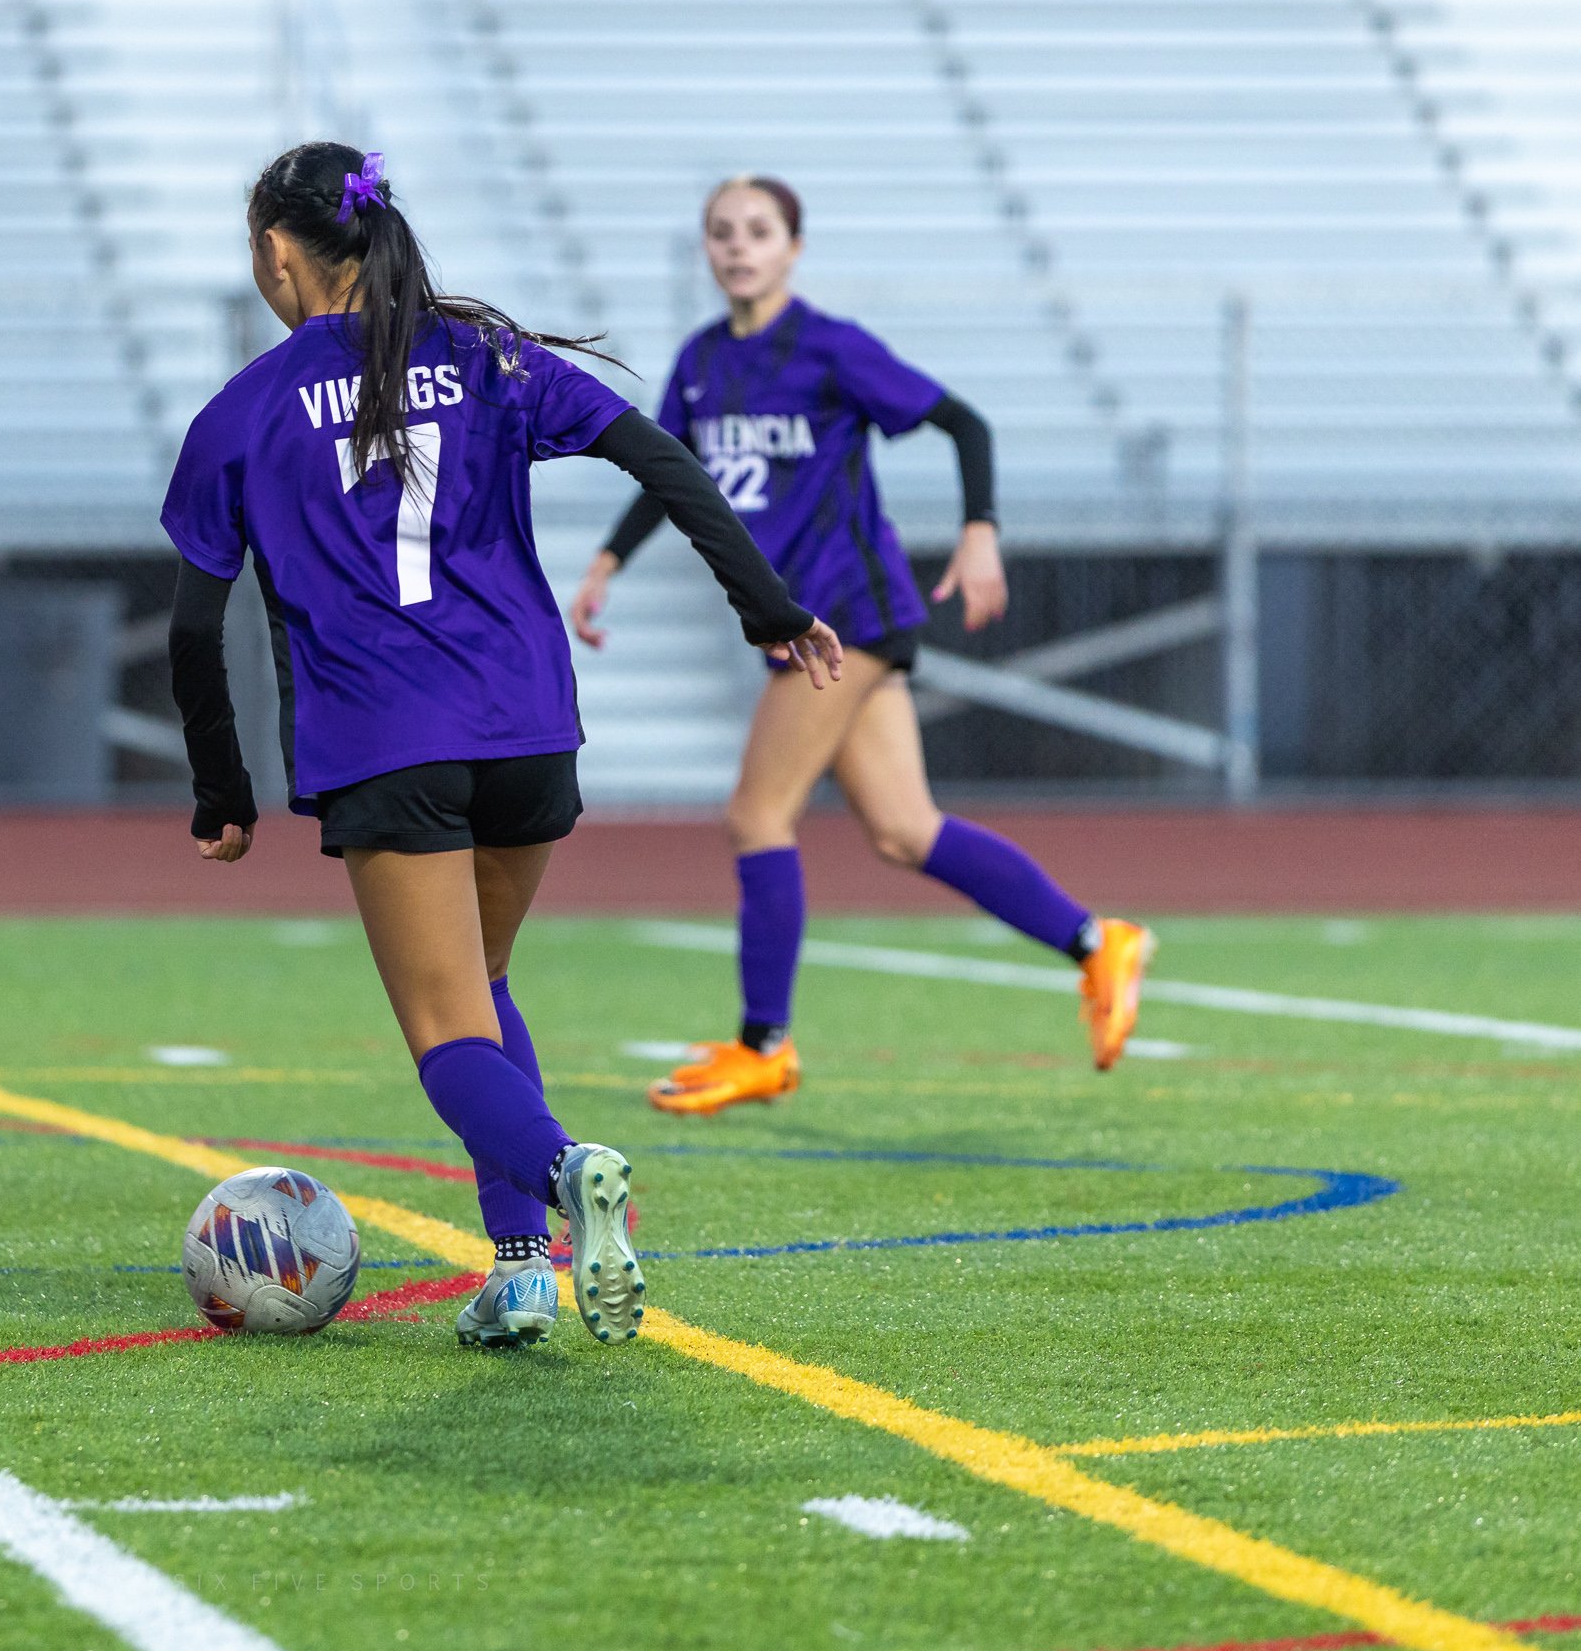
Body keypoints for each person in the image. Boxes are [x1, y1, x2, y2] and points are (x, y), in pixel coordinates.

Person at [165, 144, 841, 1351]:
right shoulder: (489, 355)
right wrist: (768, 608)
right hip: (527, 725)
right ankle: (520, 1268)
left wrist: (223, 791)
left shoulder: (248, 408)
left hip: (386, 736)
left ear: (277, 253)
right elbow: (657, 456)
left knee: (446, 1032)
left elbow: (191, 625)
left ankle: (566, 1169)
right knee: (484, 981)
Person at [567, 175, 1153, 1115]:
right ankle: (1097, 942)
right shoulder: (703, 360)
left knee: (757, 816)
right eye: (722, 231)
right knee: (904, 830)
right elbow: (673, 472)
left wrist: (980, 531)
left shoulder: (831, 348)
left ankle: (765, 1045)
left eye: (759, 230)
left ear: (794, 247)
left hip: (848, 613)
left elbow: (964, 423)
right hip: (817, 621)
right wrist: (607, 561)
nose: (738, 245)